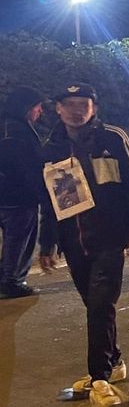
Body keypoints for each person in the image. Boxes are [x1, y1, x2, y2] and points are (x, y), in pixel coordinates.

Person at [41, 83, 129, 406]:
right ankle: (114, 362)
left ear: (94, 108)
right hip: (75, 242)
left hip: (109, 238)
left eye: (83, 104)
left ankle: (99, 379)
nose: (77, 110)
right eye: (69, 104)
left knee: (101, 304)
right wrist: (48, 244)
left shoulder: (113, 139)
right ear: (58, 109)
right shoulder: (51, 148)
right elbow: (49, 202)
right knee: (95, 305)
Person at [0, 87, 54, 299]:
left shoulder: (9, 126)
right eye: (37, 107)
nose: (39, 111)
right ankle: (12, 281)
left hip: (8, 195)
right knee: (19, 240)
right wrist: (41, 193)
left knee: (14, 239)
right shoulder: (16, 132)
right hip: (17, 198)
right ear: (26, 108)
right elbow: (24, 168)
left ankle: (6, 276)